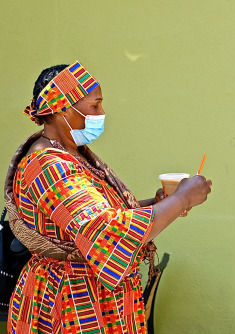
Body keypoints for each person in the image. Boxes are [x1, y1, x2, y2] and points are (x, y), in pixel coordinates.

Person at [3, 61, 212, 333]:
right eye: (95, 105)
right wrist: (182, 199)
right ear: (63, 108)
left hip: (94, 295)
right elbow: (105, 232)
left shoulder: (69, 154)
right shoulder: (49, 167)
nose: (101, 113)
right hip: (71, 302)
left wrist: (156, 205)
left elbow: (90, 216)